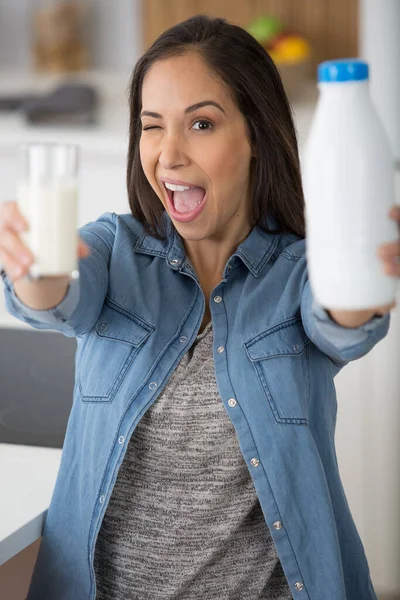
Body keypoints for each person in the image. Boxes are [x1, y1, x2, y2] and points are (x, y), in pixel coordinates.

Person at [0, 14, 399, 600]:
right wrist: (34, 268)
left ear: (255, 136)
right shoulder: (114, 251)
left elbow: (339, 322)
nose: (168, 154)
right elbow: (57, 299)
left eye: (202, 124)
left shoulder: (299, 273)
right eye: (151, 126)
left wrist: (360, 282)